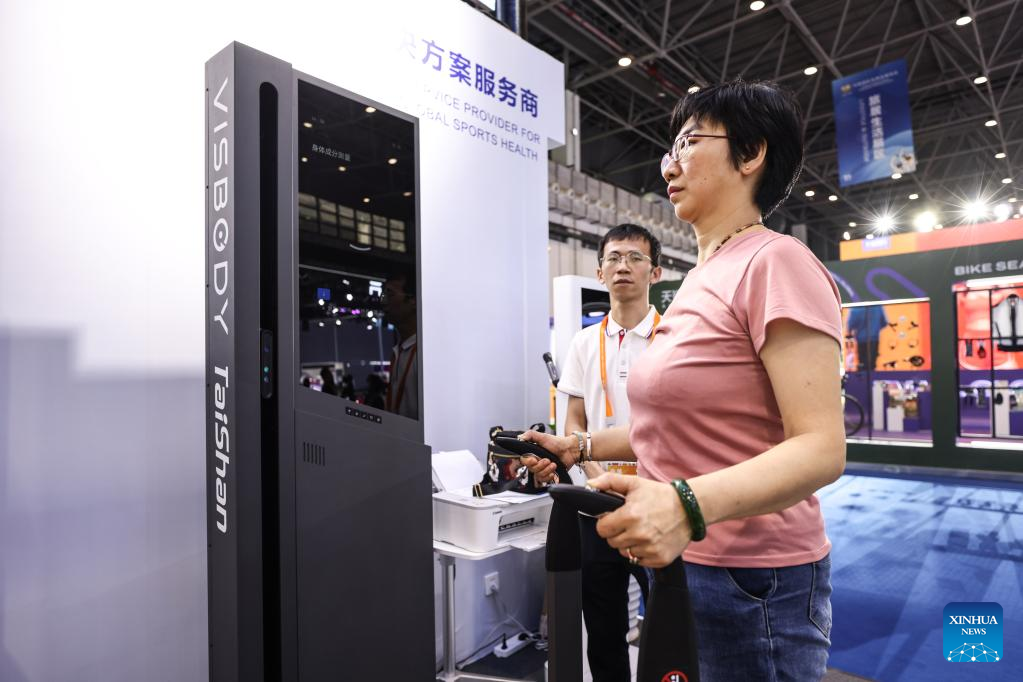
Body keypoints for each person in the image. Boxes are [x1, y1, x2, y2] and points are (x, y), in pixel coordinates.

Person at [523, 79, 845, 681]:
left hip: (751, 582)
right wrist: (579, 446)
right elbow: (669, 427)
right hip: (682, 562)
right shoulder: (699, 281)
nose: (668, 164)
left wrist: (685, 504)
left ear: (751, 155)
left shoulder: (775, 261)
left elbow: (822, 448)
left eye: (690, 142)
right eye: (670, 148)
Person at [556, 223, 662, 682]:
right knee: (602, 628)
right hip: (596, 503)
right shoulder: (583, 342)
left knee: (669, 624)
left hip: (657, 500)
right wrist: (598, 477)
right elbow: (573, 422)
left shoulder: (672, 337)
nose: (623, 266)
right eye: (614, 258)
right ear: (599, 272)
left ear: (655, 272)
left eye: (635, 258)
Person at [382, 272, 418, 419]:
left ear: (413, 300)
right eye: (384, 296)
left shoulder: (427, 353)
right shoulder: (400, 351)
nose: (384, 302)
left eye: (390, 295)